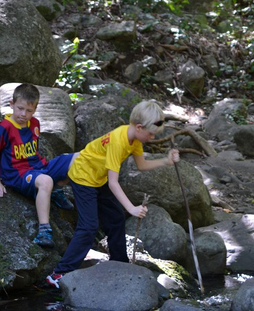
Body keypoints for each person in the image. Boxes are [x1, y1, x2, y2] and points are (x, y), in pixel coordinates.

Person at [46, 100, 179, 288]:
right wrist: (131, 208)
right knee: (89, 226)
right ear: (139, 127)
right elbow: (113, 182)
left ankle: (119, 264)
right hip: (83, 176)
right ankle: (59, 274)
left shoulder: (134, 139)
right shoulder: (119, 141)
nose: (152, 137)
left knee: (116, 218)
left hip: (97, 178)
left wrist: (166, 161)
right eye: (150, 134)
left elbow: (141, 165)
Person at [0, 83, 77, 248]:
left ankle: (56, 189)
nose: (23, 114)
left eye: (29, 110)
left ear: (35, 109)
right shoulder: (3, 129)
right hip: (18, 174)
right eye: (19, 108)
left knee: (78, 158)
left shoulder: (34, 123)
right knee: (45, 181)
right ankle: (44, 231)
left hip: (40, 167)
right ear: (11, 104)